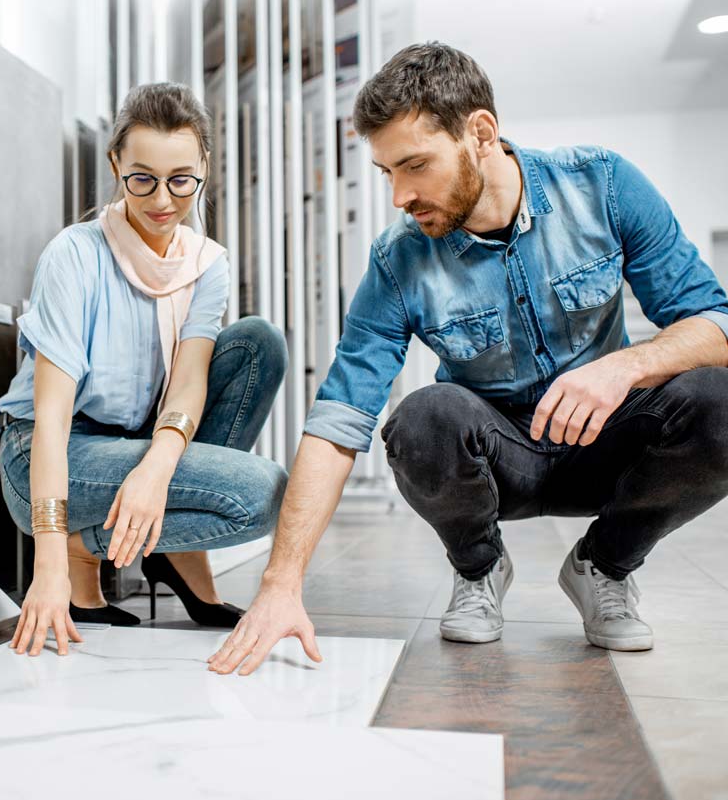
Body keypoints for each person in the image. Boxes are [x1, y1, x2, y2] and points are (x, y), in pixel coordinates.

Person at [208, 42, 728, 675]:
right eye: (386, 172)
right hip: (497, 460)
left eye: (415, 165)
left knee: (719, 402)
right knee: (423, 417)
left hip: (608, 444)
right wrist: (280, 584)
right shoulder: (398, 260)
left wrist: (624, 366)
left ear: (480, 132)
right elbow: (338, 420)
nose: (399, 194)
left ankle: (606, 564)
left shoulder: (604, 186)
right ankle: (479, 568)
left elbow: (715, 323)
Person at [0, 82, 289, 657]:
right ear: (115, 165)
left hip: (131, 443)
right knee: (260, 494)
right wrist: (48, 561)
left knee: (258, 344)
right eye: (142, 179)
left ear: (204, 164)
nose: (162, 200)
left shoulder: (205, 265)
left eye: (182, 180)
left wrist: (158, 469)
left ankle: (170, 547)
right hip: (47, 455)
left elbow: (188, 381)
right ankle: (83, 551)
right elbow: (52, 421)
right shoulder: (74, 256)